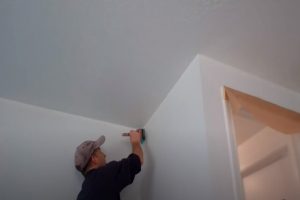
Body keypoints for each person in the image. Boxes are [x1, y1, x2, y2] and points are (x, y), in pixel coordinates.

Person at [74, 129, 143, 200]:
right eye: (100, 152)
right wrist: (135, 141)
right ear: (94, 158)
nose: (104, 155)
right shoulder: (104, 175)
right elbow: (138, 160)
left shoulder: (85, 189)